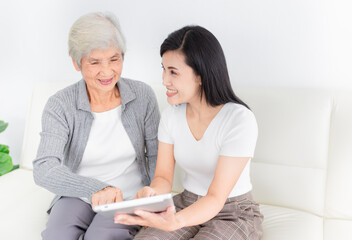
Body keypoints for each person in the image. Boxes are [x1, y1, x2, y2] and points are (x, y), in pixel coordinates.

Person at [114, 26, 263, 240]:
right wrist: (152, 193)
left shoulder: (239, 120)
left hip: (232, 212)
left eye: (173, 72)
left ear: (201, 75)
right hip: (186, 202)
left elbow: (215, 197)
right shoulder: (171, 116)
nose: (165, 80)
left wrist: (175, 222)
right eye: (164, 69)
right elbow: (163, 177)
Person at [33, 12, 160, 240]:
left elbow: (158, 155)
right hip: (78, 193)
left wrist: (153, 200)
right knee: (57, 236)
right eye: (94, 62)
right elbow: (44, 167)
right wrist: (96, 189)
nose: (107, 71)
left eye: (114, 59)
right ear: (76, 62)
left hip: (130, 195)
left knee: (100, 237)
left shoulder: (142, 96)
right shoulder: (60, 104)